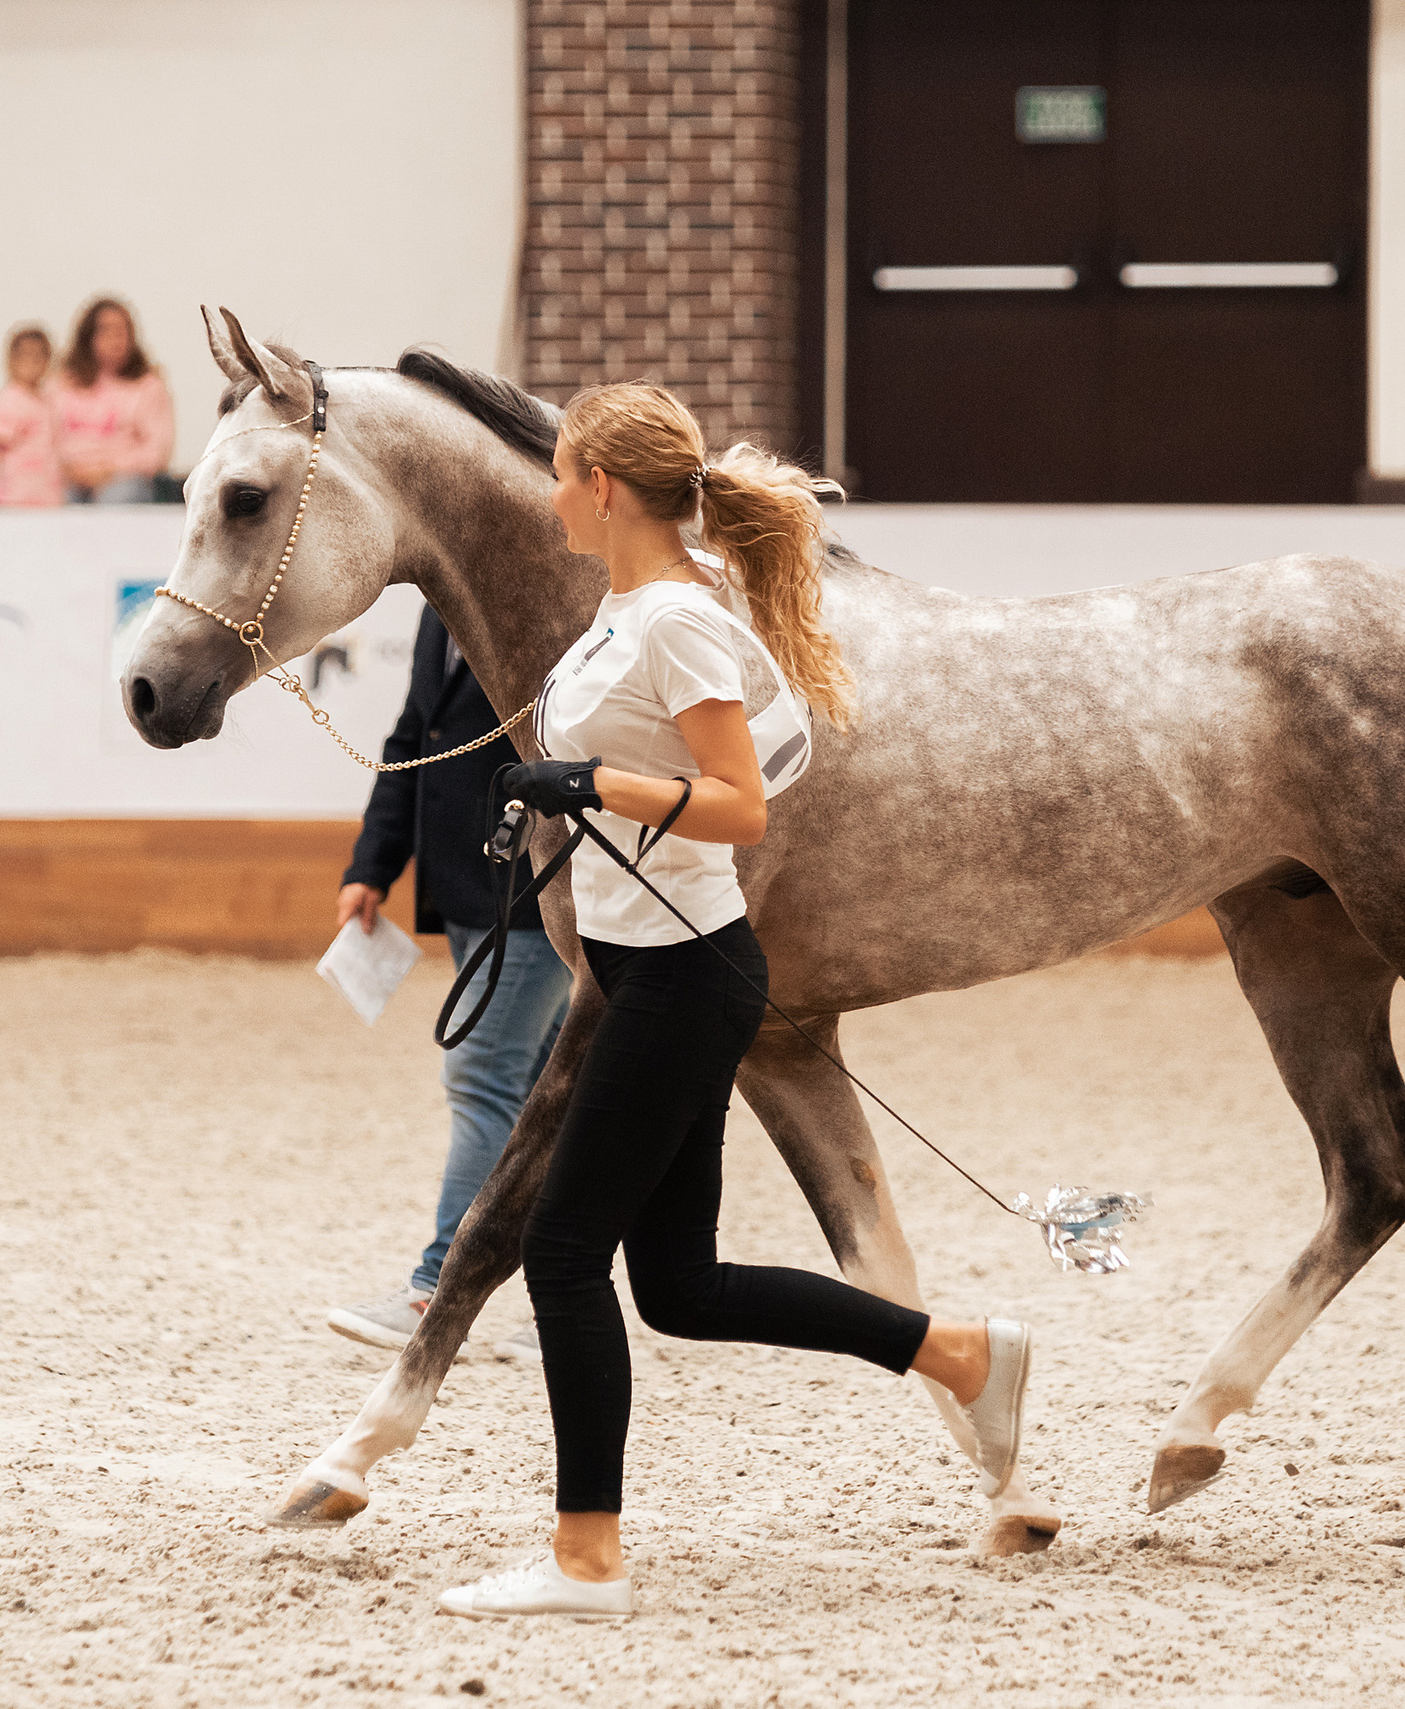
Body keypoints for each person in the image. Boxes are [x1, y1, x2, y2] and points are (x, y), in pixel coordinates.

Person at [433, 382, 1033, 1622]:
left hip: (681, 975)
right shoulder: (631, 611)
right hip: (652, 965)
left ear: (603, 487)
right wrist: (563, 784)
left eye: (560, 474)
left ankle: (584, 1557)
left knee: (559, 1251)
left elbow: (741, 803)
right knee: (679, 1286)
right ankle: (957, 1350)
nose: (550, 495)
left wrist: (587, 778)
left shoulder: (676, 623)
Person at [328, 605, 572, 1362]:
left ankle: (437, 1291)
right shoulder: (443, 606)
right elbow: (416, 733)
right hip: (466, 888)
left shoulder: (549, 604)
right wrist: (374, 864)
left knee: (484, 1076)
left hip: (532, 890)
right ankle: (556, 1301)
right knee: (533, 1098)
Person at [53, 297, 172, 504]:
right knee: (49, 498)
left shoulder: (148, 386)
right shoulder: (63, 383)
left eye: (123, 331)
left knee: (117, 500)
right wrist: (70, 470)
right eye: (106, 330)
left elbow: (156, 452)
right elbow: (46, 436)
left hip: (123, 479)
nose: (116, 338)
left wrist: (108, 470)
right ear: (88, 336)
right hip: (68, 478)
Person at [0, 326, 63, 507]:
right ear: (12, 361)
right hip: (16, 495)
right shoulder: (8, 398)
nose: (33, 362)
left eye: (39, 356)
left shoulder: (48, 400)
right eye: (25, 355)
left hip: (47, 492)